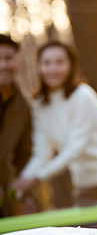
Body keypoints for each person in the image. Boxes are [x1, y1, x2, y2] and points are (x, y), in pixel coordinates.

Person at [12, 41, 97, 207]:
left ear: (71, 65)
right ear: (39, 67)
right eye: (47, 63)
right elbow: (42, 152)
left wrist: (37, 178)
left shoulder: (83, 96)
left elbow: (76, 148)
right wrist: (23, 180)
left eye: (59, 62)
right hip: (83, 184)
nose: (53, 69)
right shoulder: (39, 105)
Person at [0, 34, 33, 216]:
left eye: (8, 58)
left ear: (17, 61)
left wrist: (24, 195)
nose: (3, 65)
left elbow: (24, 156)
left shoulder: (23, 105)